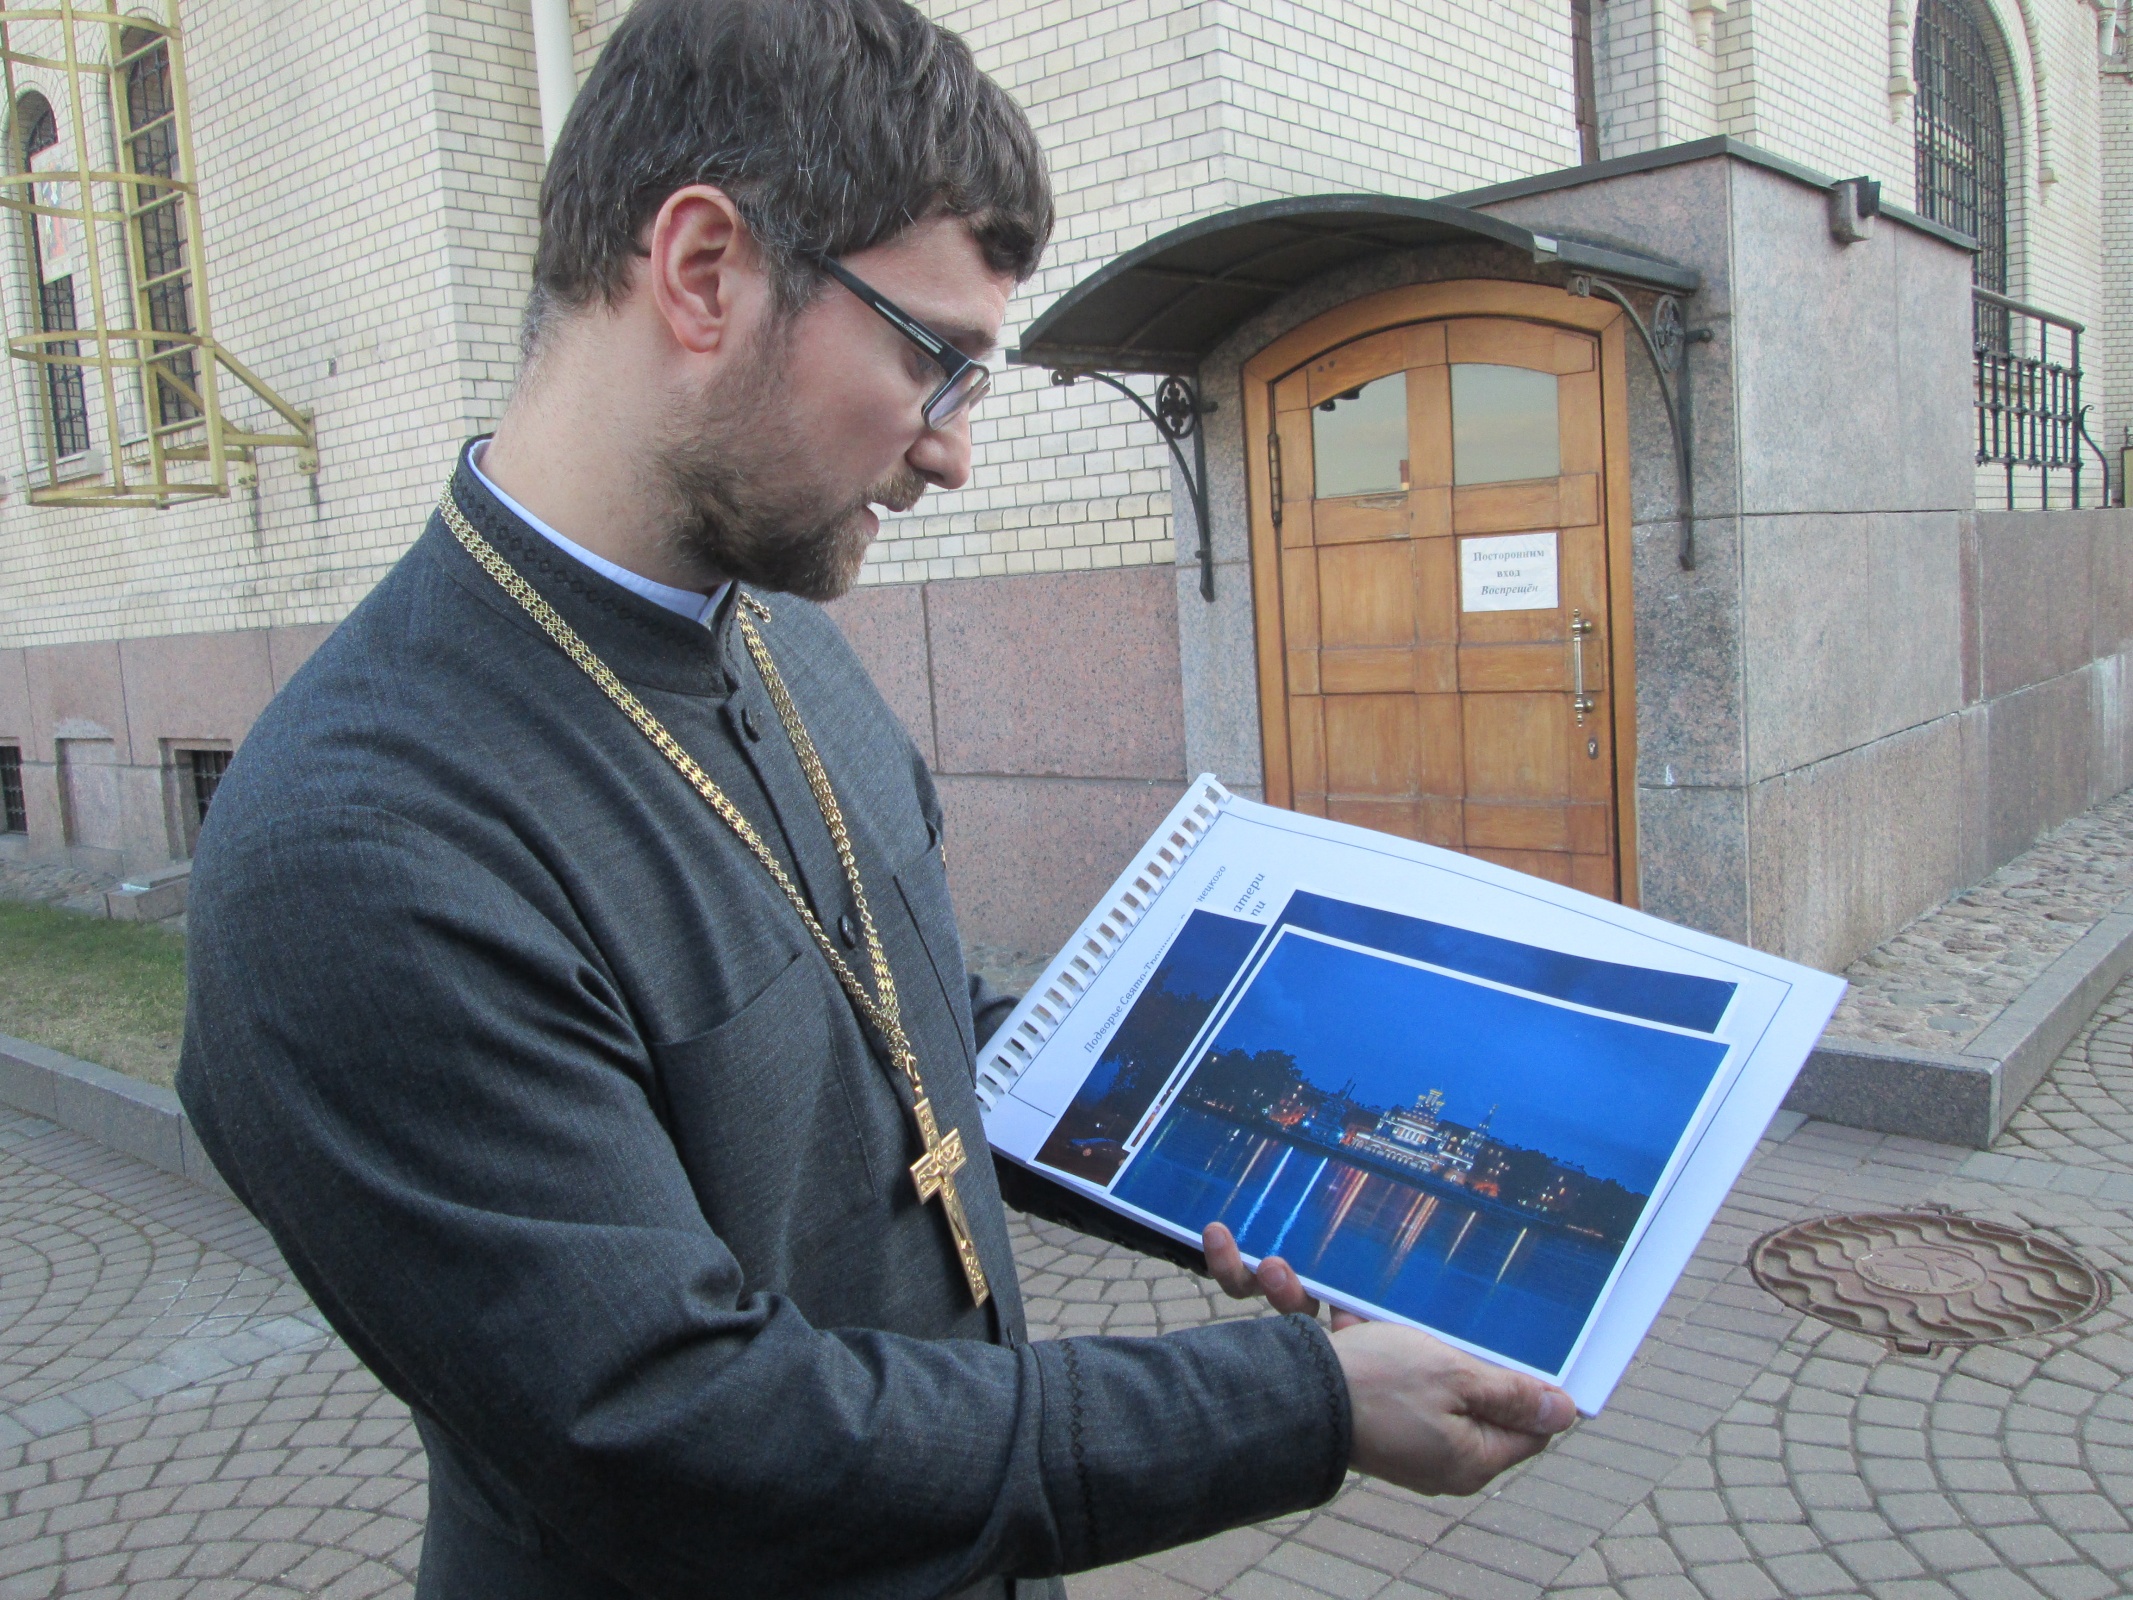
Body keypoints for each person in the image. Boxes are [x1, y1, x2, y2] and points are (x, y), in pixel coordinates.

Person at [176, 1, 1576, 1595]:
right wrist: (1300, 1404)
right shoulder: (355, 844)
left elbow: (911, 1042)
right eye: (934, 362)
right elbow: (668, 1426)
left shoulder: (782, 639)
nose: (952, 456)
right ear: (704, 271)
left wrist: (1289, 1180)